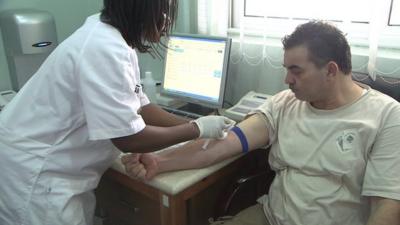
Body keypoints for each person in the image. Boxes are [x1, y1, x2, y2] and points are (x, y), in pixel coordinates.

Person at [122, 21, 400, 225]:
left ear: (330, 71)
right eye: (286, 69)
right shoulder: (285, 103)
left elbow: (386, 208)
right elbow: (223, 145)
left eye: (296, 71)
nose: (286, 80)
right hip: (272, 217)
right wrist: (161, 162)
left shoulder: (386, 117)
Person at [0, 0, 235, 225]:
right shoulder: (104, 48)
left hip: (48, 166)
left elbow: (141, 107)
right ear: (138, 8)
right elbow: (129, 138)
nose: (165, 22)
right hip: (36, 175)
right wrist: (197, 129)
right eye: (162, 11)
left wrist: (197, 124)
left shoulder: (111, 35)